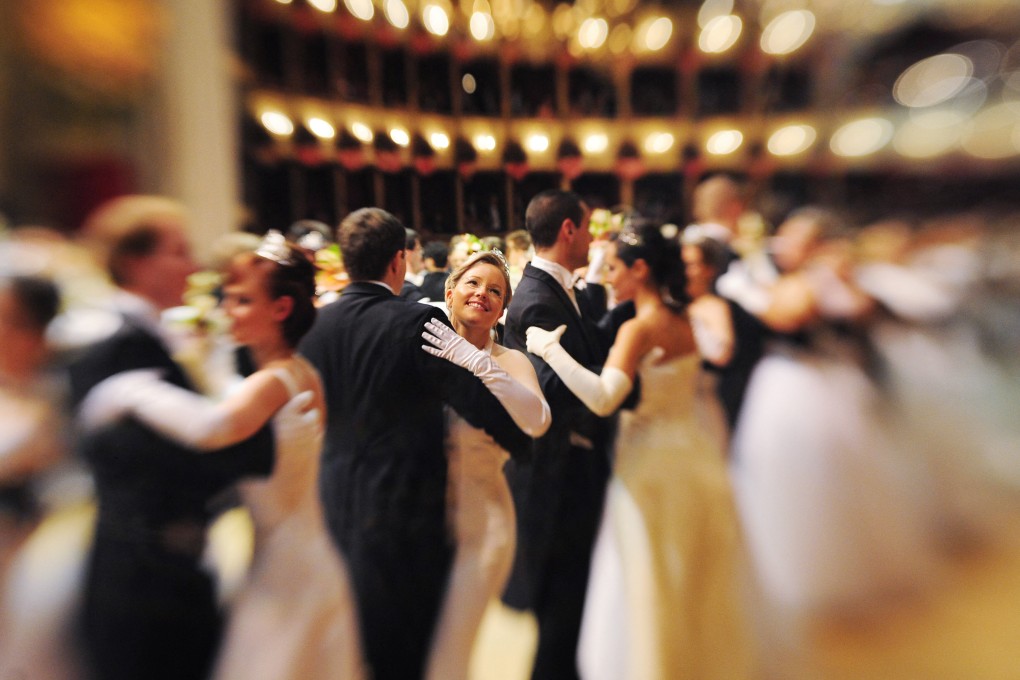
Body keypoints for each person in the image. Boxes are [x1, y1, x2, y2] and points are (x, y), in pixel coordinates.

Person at [78, 232, 364, 680]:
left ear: (281, 309)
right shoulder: (292, 372)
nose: (226, 310)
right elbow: (227, 401)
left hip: (287, 567)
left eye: (242, 301)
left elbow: (211, 428)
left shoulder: (273, 382)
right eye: (226, 298)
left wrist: (130, 390)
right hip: (293, 552)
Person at [298, 207, 527, 680]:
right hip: (406, 513)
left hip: (334, 500)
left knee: (357, 641)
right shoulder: (412, 324)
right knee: (407, 650)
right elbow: (473, 400)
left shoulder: (316, 327)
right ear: (399, 261)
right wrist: (523, 447)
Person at [525, 219, 754, 679]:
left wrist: (550, 352)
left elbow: (605, 398)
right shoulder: (682, 317)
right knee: (686, 574)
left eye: (614, 268)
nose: (608, 277)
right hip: (693, 454)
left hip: (649, 465)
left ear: (641, 270)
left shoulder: (640, 328)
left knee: (650, 577)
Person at [67, 195, 276, 680]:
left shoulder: (151, 340)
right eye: (178, 250)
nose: (193, 264)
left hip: (173, 568)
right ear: (135, 263)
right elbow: (180, 459)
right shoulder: (116, 347)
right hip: (141, 582)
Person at [421, 250, 551, 680]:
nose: (483, 294)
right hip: (420, 520)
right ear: (450, 290)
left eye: (495, 290)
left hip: (482, 524)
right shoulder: (425, 345)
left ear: (503, 307)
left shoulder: (510, 361)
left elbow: (537, 420)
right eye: (474, 283)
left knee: (452, 648)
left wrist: (480, 363)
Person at [501, 189, 614, 680]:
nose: (591, 238)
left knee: (572, 608)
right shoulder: (535, 301)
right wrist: (616, 386)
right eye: (587, 228)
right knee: (561, 612)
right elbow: (557, 396)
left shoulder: (562, 288)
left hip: (574, 471)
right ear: (568, 229)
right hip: (558, 476)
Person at [682, 231, 766, 433]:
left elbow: (722, 354)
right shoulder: (671, 304)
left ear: (709, 270)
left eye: (691, 265)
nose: (683, 271)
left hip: (699, 399)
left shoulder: (715, 306)